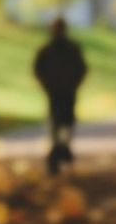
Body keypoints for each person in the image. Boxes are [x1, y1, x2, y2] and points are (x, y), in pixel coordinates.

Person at [34, 18, 87, 174]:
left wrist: (74, 84)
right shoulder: (47, 51)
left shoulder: (71, 50)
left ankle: (62, 148)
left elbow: (81, 69)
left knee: (66, 122)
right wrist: (47, 85)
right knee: (58, 122)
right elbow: (38, 70)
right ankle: (58, 150)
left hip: (66, 91)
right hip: (55, 92)